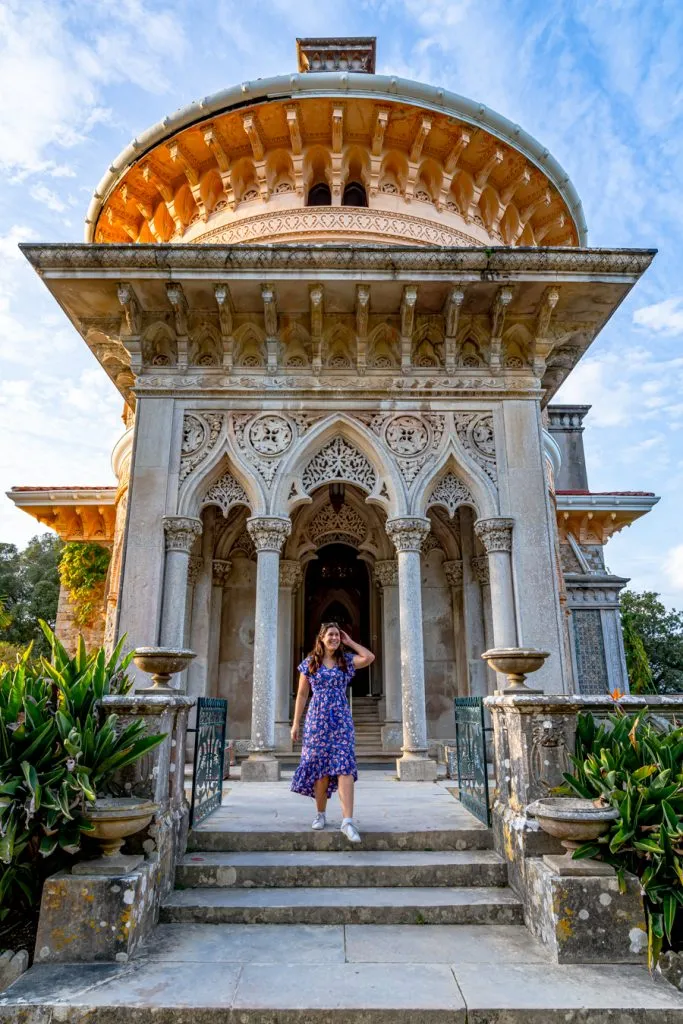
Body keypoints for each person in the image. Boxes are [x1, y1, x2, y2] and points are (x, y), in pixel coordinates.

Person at [290, 622, 375, 843]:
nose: (334, 638)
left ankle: (347, 821)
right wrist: (295, 723)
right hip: (317, 720)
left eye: (337, 635)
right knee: (321, 770)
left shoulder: (345, 661)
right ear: (321, 638)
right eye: (331, 635)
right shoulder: (310, 663)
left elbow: (368, 657)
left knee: (344, 765)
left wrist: (350, 642)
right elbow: (301, 695)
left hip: (341, 721)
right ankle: (320, 813)